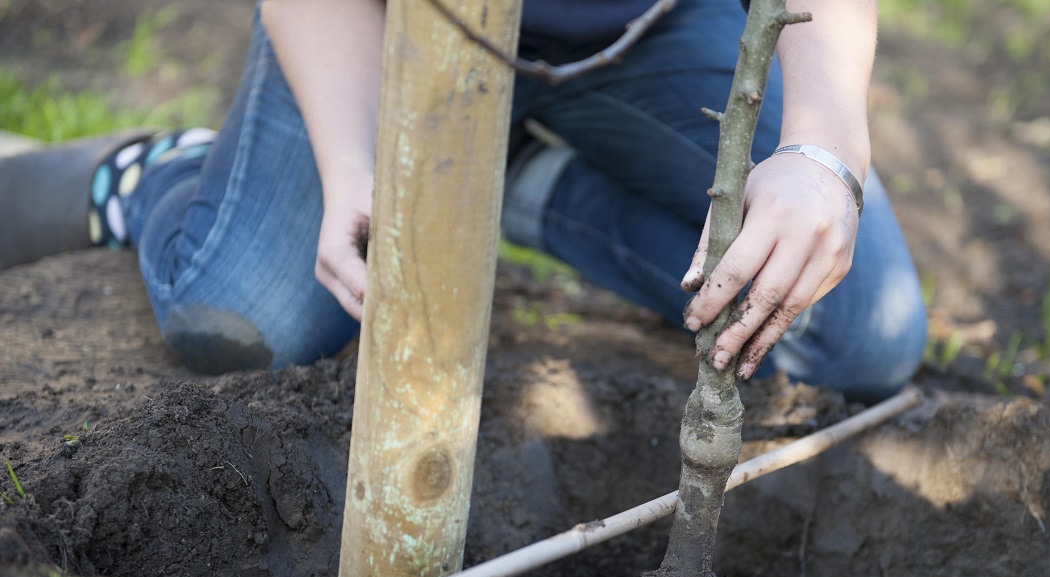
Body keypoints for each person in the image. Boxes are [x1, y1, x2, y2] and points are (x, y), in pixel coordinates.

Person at [0, 0, 926, 402]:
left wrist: (821, 149)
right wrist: (351, 162)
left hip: (643, 28)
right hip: (392, 24)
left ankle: (504, 176)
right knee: (243, 318)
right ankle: (159, 172)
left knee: (855, 333)